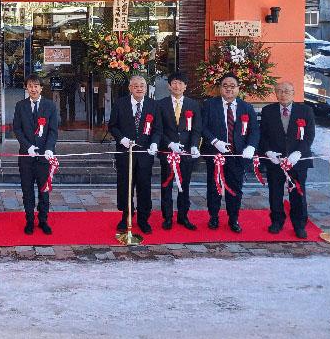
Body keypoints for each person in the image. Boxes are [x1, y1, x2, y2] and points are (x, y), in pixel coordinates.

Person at [201, 73, 260, 233]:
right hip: (216, 155)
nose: (229, 89)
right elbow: (202, 127)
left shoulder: (246, 107)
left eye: (232, 86)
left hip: (237, 156)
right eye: (225, 86)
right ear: (220, 88)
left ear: (238, 88)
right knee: (214, 187)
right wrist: (215, 141)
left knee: (235, 188)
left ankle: (233, 218)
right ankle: (213, 217)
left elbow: (255, 131)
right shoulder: (209, 105)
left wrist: (251, 147)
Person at [258, 81, 315, 238]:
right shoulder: (268, 111)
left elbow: (309, 136)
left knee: (298, 193)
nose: (283, 94)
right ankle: (277, 221)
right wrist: (268, 152)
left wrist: (298, 153)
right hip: (276, 160)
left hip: (297, 160)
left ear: (293, 93)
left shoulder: (306, 110)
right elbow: (263, 135)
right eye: (280, 91)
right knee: (275, 193)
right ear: (275, 93)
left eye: (287, 91)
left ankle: (299, 224)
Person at [108, 74, 161, 234]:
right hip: (125, 153)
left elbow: (157, 129)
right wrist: (121, 139)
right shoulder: (120, 104)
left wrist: (154, 143)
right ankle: (126, 216)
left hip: (145, 154)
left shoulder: (153, 105)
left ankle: (144, 219)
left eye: (142, 85)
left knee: (144, 186)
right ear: (130, 88)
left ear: (146, 88)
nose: (139, 88)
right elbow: (112, 126)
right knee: (125, 186)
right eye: (135, 86)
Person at [12, 74, 59, 235]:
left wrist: (49, 148)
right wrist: (28, 147)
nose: (33, 89)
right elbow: (17, 129)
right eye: (30, 86)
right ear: (26, 88)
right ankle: (30, 220)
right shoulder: (20, 106)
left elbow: (53, 130)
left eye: (36, 86)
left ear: (41, 88)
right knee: (27, 190)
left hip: (44, 157)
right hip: (26, 157)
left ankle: (43, 220)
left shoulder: (50, 106)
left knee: (44, 190)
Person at [156, 72, 201, 231]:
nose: (177, 86)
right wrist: (169, 144)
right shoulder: (160, 104)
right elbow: (158, 129)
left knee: (185, 185)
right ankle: (167, 217)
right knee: (166, 185)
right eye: (174, 83)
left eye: (181, 83)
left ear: (185, 86)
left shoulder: (193, 104)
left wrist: (194, 145)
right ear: (169, 86)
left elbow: (196, 128)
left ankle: (183, 216)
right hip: (167, 152)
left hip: (186, 152)